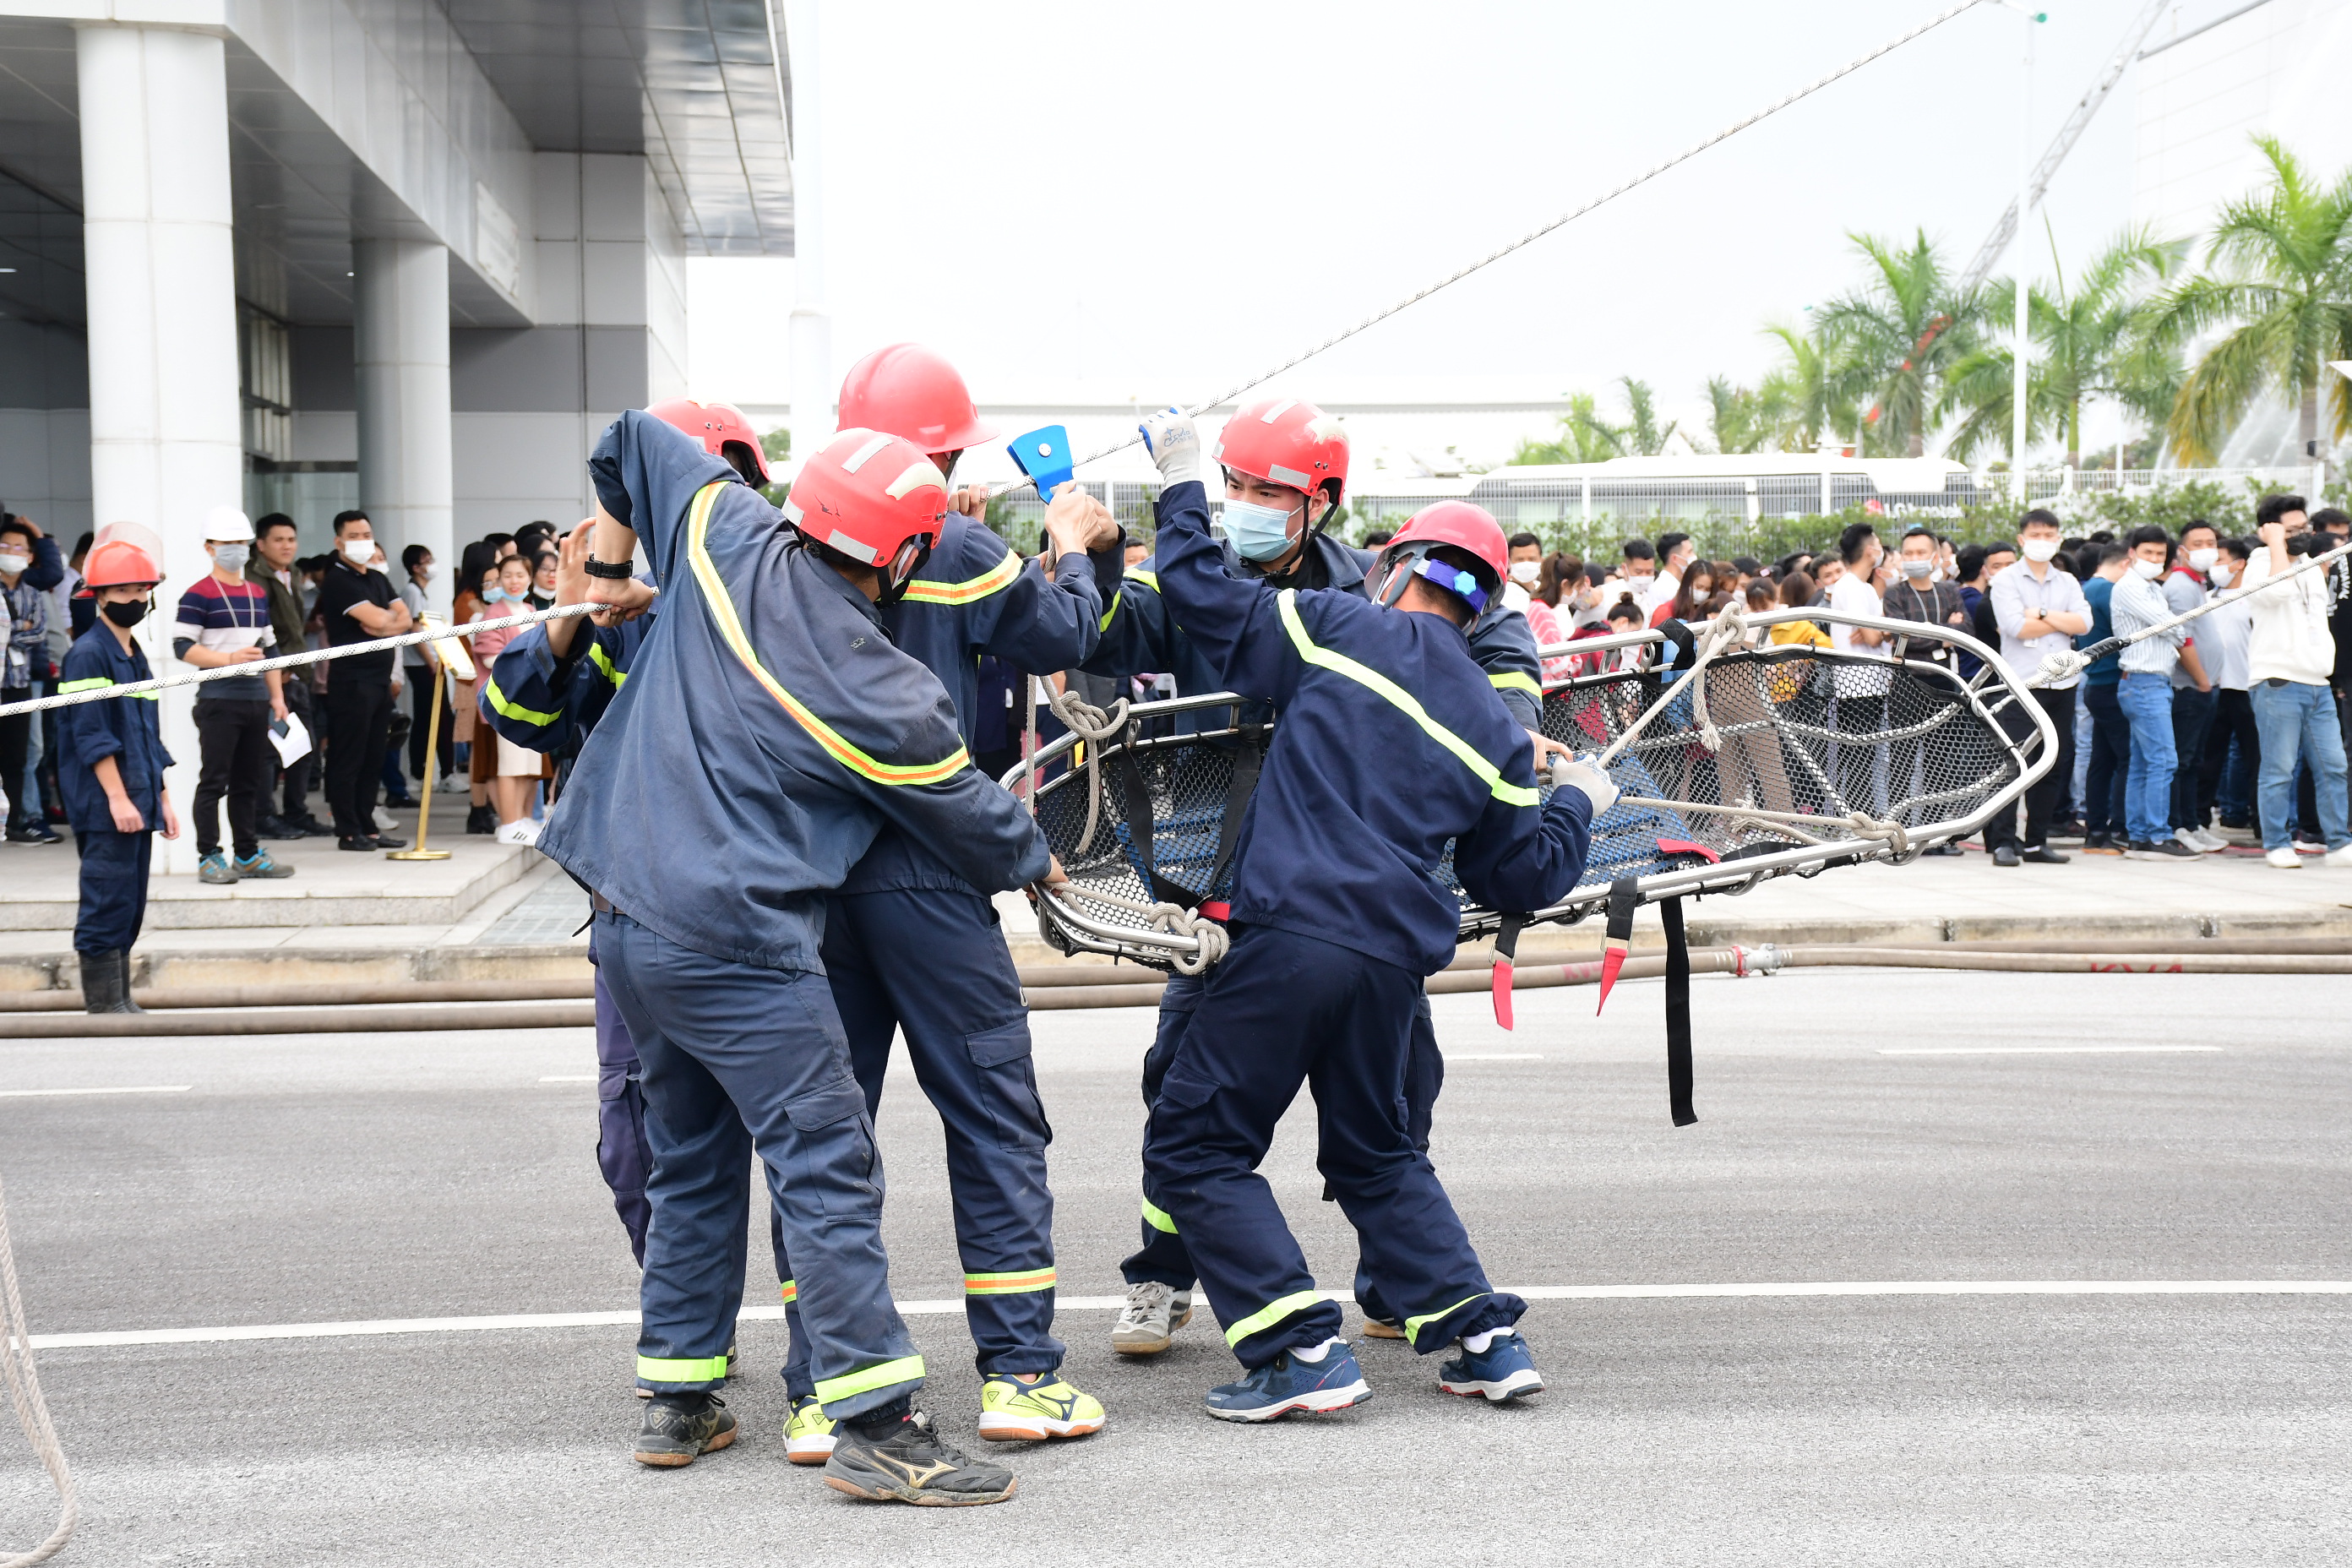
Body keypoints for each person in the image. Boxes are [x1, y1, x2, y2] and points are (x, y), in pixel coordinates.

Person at [554, 410, 1047, 1503]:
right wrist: (1040, 857)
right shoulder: (883, 689)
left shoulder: (721, 530)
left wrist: (609, 577)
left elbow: (626, 438)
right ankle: (878, 1426)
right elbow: (969, 813)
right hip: (736, 939)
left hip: (623, 917)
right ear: (905, 555)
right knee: (826, 1161)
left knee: (691, 1156)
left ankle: (679, 1396)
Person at [1126, 406, 1604, 1420]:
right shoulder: (1494, 728)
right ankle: (1484, 1338)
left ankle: (1300, 1351)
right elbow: (1519, 878)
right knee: (1376, 1153)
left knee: (1195, 1145)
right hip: (1392, 967)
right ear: (1483, 609)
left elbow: (1205, 596)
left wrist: (1179, 484)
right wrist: (1578, 801)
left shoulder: (1335, 627)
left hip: (1291, 937)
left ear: (1390, 570)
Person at [759, 354, 1125, 1455]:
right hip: (936, 864)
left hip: (812, 879)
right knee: (993, 1117)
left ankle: (824, 1387)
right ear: (947, 454)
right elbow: (1069, 635)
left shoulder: (780, 553)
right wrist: (1073, 543)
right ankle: (1020, 1374)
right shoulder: (959, 549)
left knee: (823, 1136)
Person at [57, 541, 180, 1011]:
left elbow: (147, 734)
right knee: (106, 898)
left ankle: (120, 1000)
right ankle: (105, 1004)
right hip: (106, 802)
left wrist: (162, 798)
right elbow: (92, 733)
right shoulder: (88, 654)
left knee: (128, 903)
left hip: (139, 796)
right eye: (124, 590)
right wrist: (117, 797)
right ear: (100, 595)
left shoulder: (133, 653)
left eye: (141, 590)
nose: (135, 599)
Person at [170, 507, 294, 884]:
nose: (235, 549)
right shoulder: (198, 594)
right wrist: (228, 660)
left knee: (249, 782)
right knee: (214, 780)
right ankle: (209, 856)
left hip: (256, 698)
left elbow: (271, 651)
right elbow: (182, 646)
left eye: (240, 542)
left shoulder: (257, 593)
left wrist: (277, 699)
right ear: (209, 548)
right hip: (219, 699)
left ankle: (247, 853)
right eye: (227, 543)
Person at [2240, 494, 2351, 868]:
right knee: (2279, 769)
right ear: (2270, 530)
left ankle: (2338, 842)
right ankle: (2276, 843)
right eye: (2292, 529)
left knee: (2333, 765)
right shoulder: (2260, 563)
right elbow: (2278, 592)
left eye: (2305, 527)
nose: (2302, 534)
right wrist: (2274, 545)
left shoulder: (2310, 564)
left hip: (2317, 681)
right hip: (2278, 681)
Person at [1986, 509, 2087, 867]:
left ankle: (2036, 842)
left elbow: (2084, 623)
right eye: (2035, 534)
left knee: (2052, 763)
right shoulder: (2006, 580)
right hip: (2021, 683)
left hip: (2063, 682)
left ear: (2058, 538)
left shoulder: (2067, 581)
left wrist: (2040, 613)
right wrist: (2060, 623)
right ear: (2022, 539)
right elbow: (2016, 627)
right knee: (2013, 763)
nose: (2042, 541)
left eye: (2049, 534)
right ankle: (2003, 842)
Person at [314, 509, 411, 852]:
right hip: (351, 682)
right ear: (338, 542)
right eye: (353, 536)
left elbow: (404, 619)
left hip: (379, 680)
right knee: (348, 756)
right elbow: (380, 619)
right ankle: (348, 829)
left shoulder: (376, 578)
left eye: (366, 535)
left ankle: (368, 826)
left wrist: (384, 624)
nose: (362, 542)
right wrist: (384, 622)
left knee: (374, 756)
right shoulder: (338, 580)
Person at [2107, 525, 2206, 860]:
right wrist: (2174, 628)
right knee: (2164, 760)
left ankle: (2139, 837)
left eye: (2160, 554)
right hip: (2143, 682)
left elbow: (2171, 626)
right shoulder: (2130, 586)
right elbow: (2171, 626)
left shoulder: (2152, 588)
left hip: (2151, 683)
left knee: (2143, 763)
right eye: (2147, 552)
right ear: (2132, 553)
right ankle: (2157, 836)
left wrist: (2173, 628)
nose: (2154, 558)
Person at [469, 553, 547, 844]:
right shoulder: (493, 614)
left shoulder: (530, 609)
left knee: (527, 765)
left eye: (520, 575)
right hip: (506, 700)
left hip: (532, 700)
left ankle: (524, 819)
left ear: (529, 579)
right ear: (499, 579)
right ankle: (509, 823)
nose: (514, 581)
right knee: (510, 765)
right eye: (508, 575)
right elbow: (490, 657)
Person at [248, 515, 319, 837]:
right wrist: (276, 671)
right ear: (261, 545)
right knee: (267, 752)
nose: (287, 546)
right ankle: (264, 816)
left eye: (291, 539)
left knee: (303, 747)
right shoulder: (255, 578)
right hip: (275, 676)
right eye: (278, 540)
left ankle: (296, 812)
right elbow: (259, 632)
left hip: (297, 673)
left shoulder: (292, 574)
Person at [1, 515, 64, 842]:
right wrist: (19, 627)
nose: (11, 552)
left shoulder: (33, 592)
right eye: (5, 546)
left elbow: (37, 633)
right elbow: (24, 630)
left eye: (19, 548)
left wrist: (10, 631)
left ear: (29, 556)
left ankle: (16, 821)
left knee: (20, 754)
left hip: (20, 683)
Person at [2166, 523, 2224, 852]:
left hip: (2204, 687)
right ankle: (2179, 824)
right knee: (2183, 761)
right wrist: (2202, 679)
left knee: (2194, 760)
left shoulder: (2197, 583)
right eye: (2198, 543)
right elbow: (2181, 639)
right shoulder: (2180, 586)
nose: (2206, 549)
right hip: (2188, 688)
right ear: (2183, 551)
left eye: (2211, 542)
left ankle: (2192, 822)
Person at [1825, 522, 1891, 814]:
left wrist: (1879, 631)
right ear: (1870, 551)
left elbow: (1874, 633)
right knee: (1858, 759)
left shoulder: (1865, 588)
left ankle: (1864, 814)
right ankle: (1858, 817)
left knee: (1867, 756)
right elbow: (1873, 636)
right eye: (1878, 544)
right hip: (1856, 684)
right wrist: (1882, 631)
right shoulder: (1850, 586)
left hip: (1872, 681)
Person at [2197, 538, 2259, 833]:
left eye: (2220, 560)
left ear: (2239, 563)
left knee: (2255, 759)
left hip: (2248, 688)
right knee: (2207, 760)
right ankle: (2198, 821)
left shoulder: (2256, 597)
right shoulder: (2206, 598)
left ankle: (2261, 823)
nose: (2215, 567)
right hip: (2213, 688)